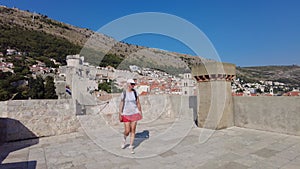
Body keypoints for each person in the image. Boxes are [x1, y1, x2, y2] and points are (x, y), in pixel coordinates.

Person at [119, 79, 142, 154]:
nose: (133, 85)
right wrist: (120, 113)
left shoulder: (135, 93)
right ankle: (124, 139)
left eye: (134, 84)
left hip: (134, 113)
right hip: (126, 113)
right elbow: (121, 103)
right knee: (127, 130)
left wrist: (140, 111)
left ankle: (131, 146)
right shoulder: (124, 93)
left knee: (133, 130)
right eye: (132, 84)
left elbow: (138, 102)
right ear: (128, 84)